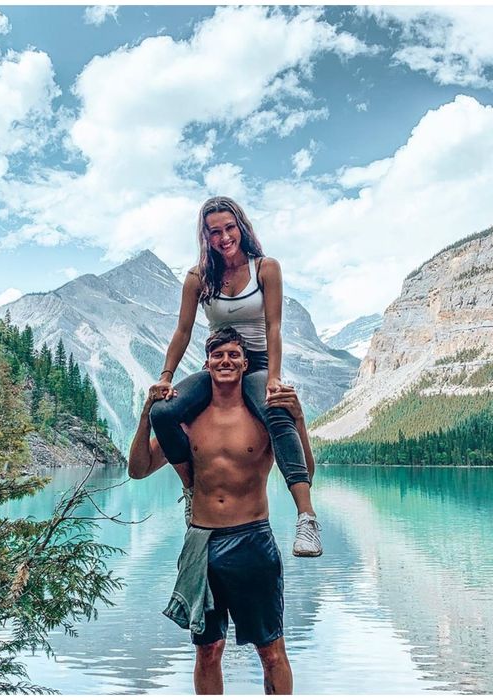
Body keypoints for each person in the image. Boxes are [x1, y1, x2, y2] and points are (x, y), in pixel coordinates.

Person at [129, 328, 312, 694]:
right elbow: (138, 468)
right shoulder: (188, 421)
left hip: (253, 541)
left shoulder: (264, 417)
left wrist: (300, 419)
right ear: (207, 363)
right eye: (218, 356)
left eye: (233, 355)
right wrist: (147, 414)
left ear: (245, 363)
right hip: (203, 544)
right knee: (208, 651)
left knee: (271, 651)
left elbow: (307, 469)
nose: (225, 361)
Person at [148, 196, 321, 557]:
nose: (224, 236)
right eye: (215, 231)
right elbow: (182, 331)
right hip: (217, 362)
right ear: (205, 237)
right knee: (162, 413)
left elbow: (274, 327)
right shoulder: (197, 277)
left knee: (277, 410)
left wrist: (273, 377)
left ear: (241, 227)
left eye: (229, 228)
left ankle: (306, 517)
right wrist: (166, 376)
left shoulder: (266, 268)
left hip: (255, 363)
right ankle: (192, 491)